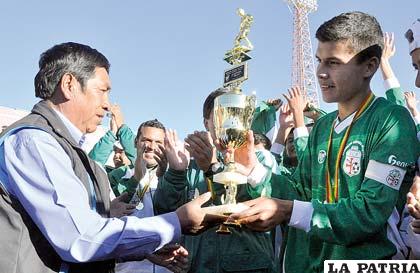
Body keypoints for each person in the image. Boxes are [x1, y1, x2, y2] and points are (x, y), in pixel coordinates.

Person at [0, 42, 216, 273]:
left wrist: (143, 248)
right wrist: (177, 221)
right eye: (102, 91)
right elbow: (80, 238)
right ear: (69, 84)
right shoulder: (33, 142)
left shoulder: (69, 148)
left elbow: (86, 231)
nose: (106, 105)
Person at [229, 12, 419, 272]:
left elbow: (369, 211)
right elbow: (299, 193)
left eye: (333, 63)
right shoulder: (321, 127)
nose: (320, 72)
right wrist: (254, 170)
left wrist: (289, 211)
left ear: (369, 66)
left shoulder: (391, 120)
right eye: (319, 61)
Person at [153, 88, 277, 273]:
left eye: (236, 115)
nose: (231, 122)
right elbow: (165, 210)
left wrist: (213, 168)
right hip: (199, 265)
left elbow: (257, 207)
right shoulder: (190, 165)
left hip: (250, 267)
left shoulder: (257, 160)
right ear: (206, 122)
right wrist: (176, 173)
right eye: (222, 115)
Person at [89, 104, 135, 173]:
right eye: (115, 151)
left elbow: (139, 154)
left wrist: (121, 127)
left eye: (121, 152)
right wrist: (112, 133)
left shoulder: (139, 176)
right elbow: (92, 164)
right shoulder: (106, 175)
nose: (116, 155)